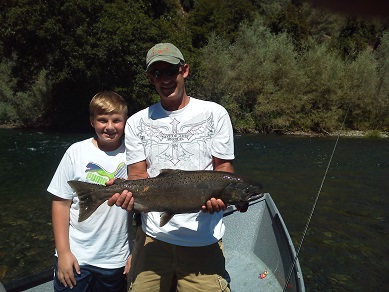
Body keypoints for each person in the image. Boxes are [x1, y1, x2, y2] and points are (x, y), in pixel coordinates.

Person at [108, 43, 247, 291]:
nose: (165, 79)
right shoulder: (136, 122)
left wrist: (223, 196)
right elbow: (138, 176)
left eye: (171, 71)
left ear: (184, 70)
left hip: (203, 240)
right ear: (151, 78)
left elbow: (223, 166)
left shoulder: (215, 113)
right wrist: (124, 194)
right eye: (157, 74)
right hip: (153, 240)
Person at [48, 91, 132, 291]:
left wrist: (135, 253)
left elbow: (146, 208)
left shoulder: (134, 154)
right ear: (92, 121)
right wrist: (63, 252)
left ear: (125, 122)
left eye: (116, 120)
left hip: (117, 259)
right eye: (102, 120)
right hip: (78, 257)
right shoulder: (76, 152)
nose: (109, 127)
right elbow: (60, 203)